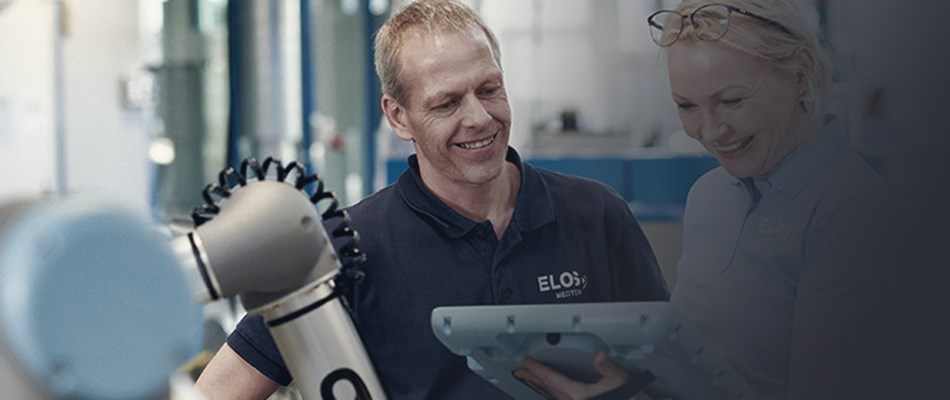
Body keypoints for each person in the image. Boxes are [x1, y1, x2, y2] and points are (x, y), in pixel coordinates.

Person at [195, 1, 669, 398]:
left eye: (489, 89)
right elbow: (219, 391)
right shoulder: (347, 247)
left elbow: (673, 377)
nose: (480, 118)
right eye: (447, 103)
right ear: (398, 117)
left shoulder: (596, 214)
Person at [646, 1, 899, 398]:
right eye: (687, 106)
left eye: (732, 100)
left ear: (800, 74)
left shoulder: (851, 209)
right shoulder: (709, 194)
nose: (711, 131)